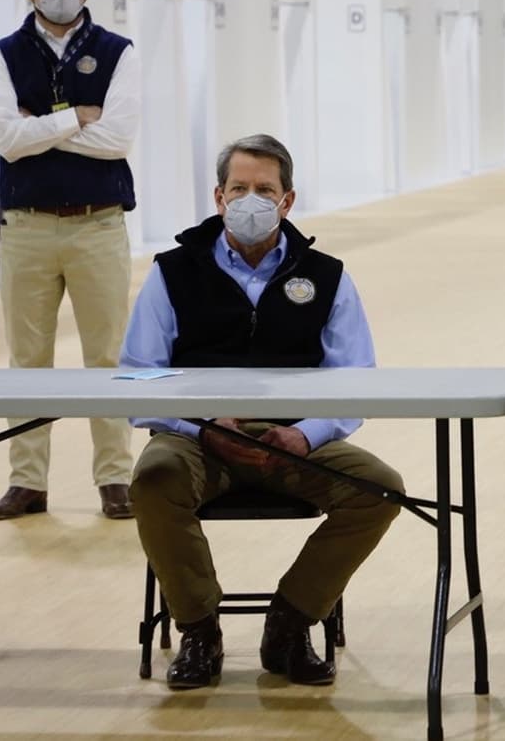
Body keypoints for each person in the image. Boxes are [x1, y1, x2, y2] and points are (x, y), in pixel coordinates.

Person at [121, 134, 404, 690]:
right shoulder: (172, 272)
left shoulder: (327, 275)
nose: (250, 199)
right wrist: (197, 427)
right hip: (195, 438)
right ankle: (200, 630)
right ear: (219, 197)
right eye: (239, 189)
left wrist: (306, 435)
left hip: (292, 440)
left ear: (288, 201)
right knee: (153, 482)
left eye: (264, 190)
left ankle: (291, 621)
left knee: (380, 490)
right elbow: (138, 371)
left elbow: (355, 377)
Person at [0, 0, 140, 520]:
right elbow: (6, 141)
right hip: (25, 227)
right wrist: (77, 117)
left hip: (98, 226)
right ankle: (28, 482)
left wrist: (40, 127)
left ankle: (115, 479)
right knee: (28, 360)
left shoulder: (118, 50)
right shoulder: (3, 54)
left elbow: (118, 139)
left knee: (108, 357)